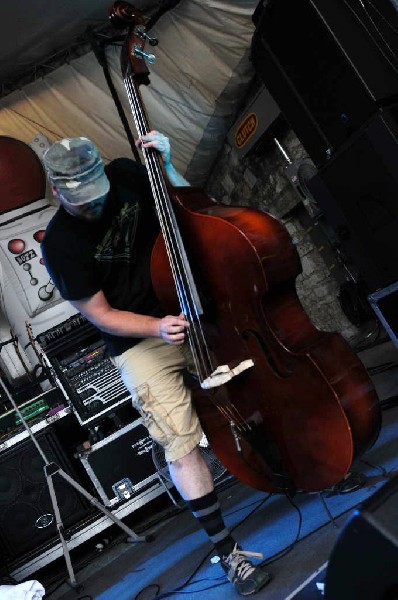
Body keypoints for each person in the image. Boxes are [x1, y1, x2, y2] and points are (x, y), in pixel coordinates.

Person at [40, 132, 272, 596]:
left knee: (264, 384)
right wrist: (156, 327)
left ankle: (311, 464)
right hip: (142, 336)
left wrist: (166, 166)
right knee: (178, 440)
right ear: (57, 191)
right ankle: (228, 553)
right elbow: (102, 314)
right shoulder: (60, 245)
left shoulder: (126, 174)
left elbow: (193, 207)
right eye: (81, 201)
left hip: (198, 307)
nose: (92, 206)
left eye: (97, 195)